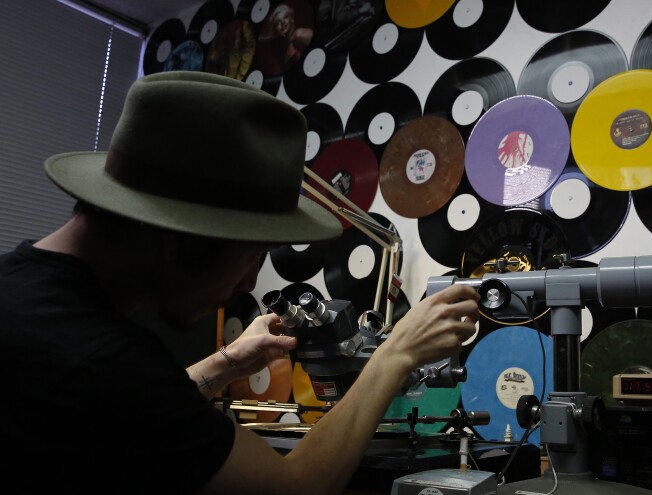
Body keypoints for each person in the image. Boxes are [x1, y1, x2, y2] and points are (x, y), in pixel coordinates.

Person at [0, 71, 479, 494]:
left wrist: (228, 363)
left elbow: (131, 408)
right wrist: (397, 354)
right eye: (250, 256)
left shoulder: (30, 303)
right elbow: (295, 488)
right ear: (178, 237)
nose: (247, 281)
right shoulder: (103, 360)